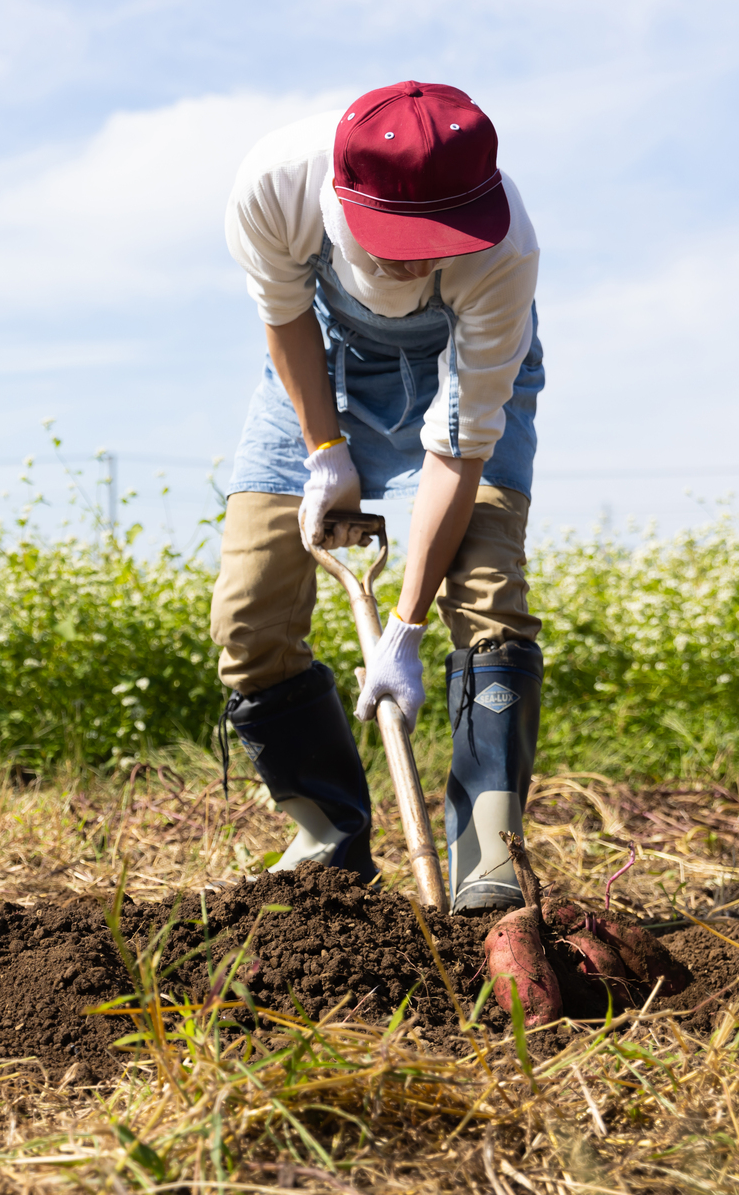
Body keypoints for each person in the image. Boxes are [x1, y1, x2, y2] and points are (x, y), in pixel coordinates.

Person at [212, 80, 544, 913]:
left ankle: (485, 865)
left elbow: (461, 445)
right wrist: (325, 450)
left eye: (438, 239)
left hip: (460, 366)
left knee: (489, 594)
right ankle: (328, 838)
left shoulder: (504, 253)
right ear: (342, 194)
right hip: (321, 366)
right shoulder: (276, 184)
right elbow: (286, 315)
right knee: (247, 613)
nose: (417, 258)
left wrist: (405, 625)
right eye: (398, 238)